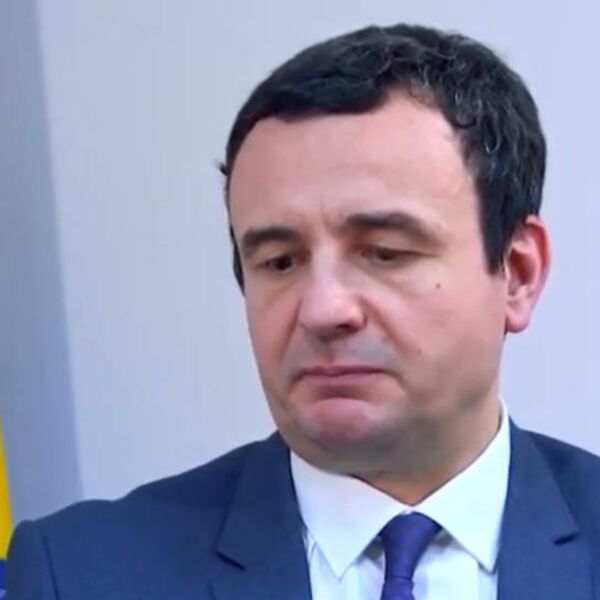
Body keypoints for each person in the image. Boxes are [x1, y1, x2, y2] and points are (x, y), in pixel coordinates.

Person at [6, 22, 600, 600]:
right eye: (281, 262)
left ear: (518, 273)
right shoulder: (78, 574)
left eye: (384, 252)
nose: (322, 309)